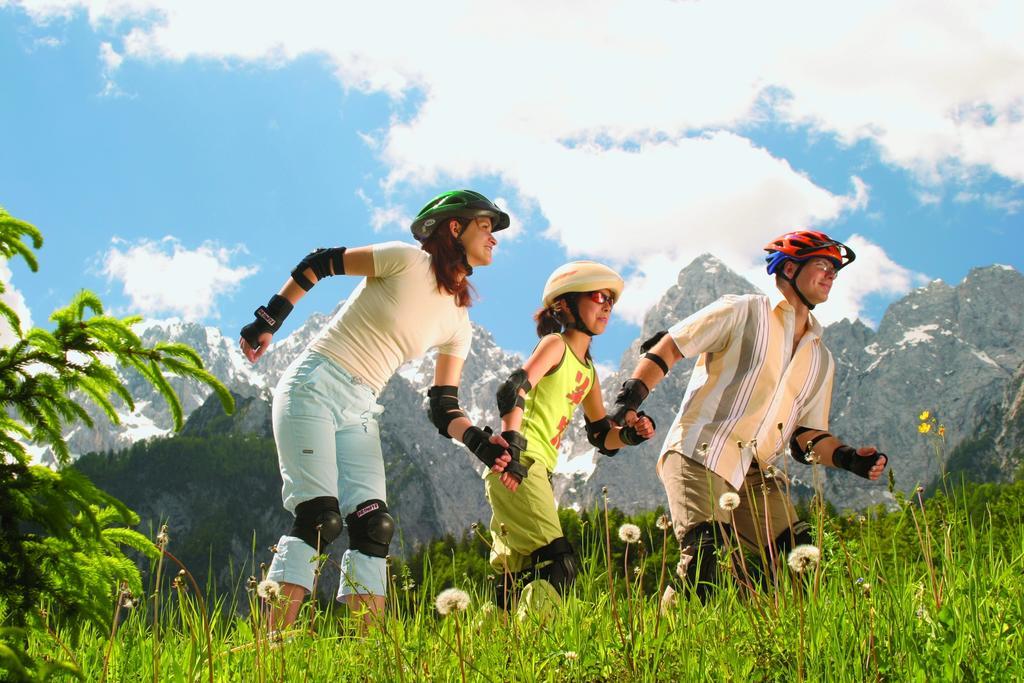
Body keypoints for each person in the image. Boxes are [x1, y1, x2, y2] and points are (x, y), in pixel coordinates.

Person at [238, 190, 525, 629]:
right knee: (319, 519)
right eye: (486, 226)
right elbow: (318, 263)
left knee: (375, 529)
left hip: (362, 408)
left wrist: (481, 444)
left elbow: (443, 406)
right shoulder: (404, 260)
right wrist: (268, 321)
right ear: (455, 226)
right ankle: (265, 653)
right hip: (314, 384)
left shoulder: (458, 323)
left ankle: (366, 663)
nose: (494, 239)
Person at [609, 230, 889, 600]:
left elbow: (806, 436)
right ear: (790, 268)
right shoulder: (744, 310)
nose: (831, 275)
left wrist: (848, 458)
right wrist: (629, 400)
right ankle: (669, 647)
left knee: (802, 561)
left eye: (835, 270)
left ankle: (785, 649)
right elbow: (672, 345)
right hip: (699, 452)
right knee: (703, 562)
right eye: (823, 265)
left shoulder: (820, 358)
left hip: (755, 472)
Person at [488, 261, 655, 610]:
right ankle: (538, 653)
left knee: (511, 580)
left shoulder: (589, 372)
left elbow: (600, 437)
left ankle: (489, 651)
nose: (607, 305)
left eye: (611, 300)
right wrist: (513, 450)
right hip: (521, 463)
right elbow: (513, 389)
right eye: (598, 296)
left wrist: (630, 436)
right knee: (557, 565)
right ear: (564, 304)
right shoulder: (555, 345)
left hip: (535, 472)